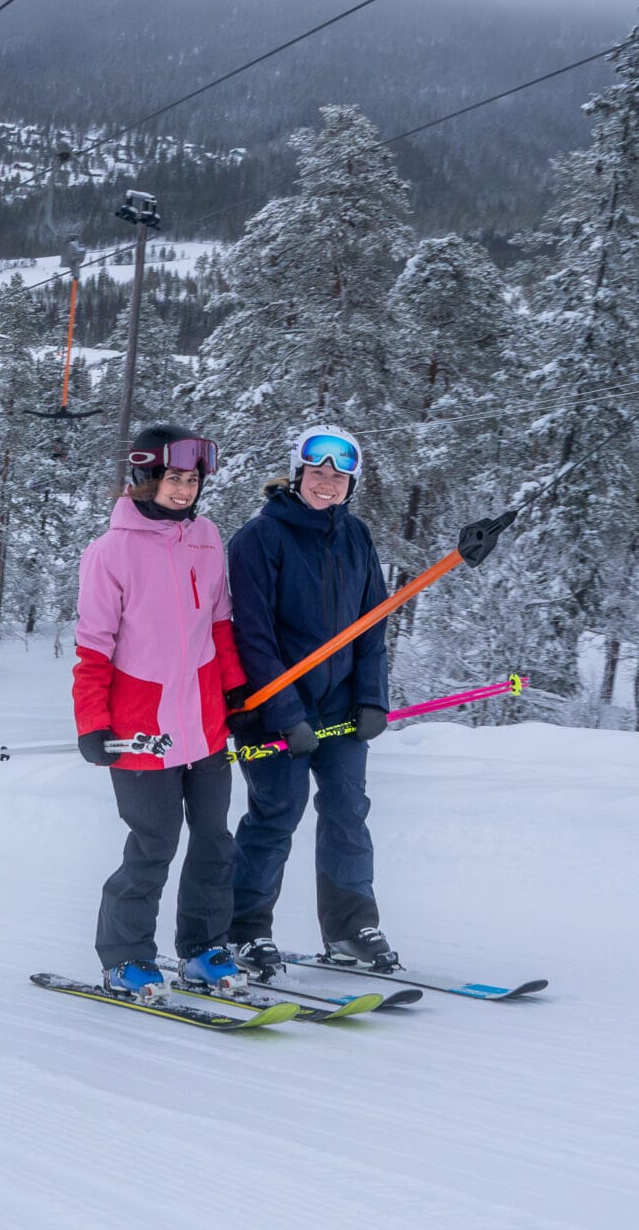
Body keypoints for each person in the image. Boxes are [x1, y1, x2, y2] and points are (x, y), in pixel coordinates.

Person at [72, 423, 251, 998]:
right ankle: (125, 957)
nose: (184, 489)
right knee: (153, 844)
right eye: (174, 478)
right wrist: (92, 722)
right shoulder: (110, 551)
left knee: (213, 842)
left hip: (203, 720)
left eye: (192, 480)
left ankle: (202, 950)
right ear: (146, 477)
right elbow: (94, 646)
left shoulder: (206, 537)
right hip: (140, 725)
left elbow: (220, 626)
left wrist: (237, 695)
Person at [226, 423, 394, 976]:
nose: (327, 482)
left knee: (348, 811)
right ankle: (244, 931)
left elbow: (372, 625)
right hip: (274, 708)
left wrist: (371, 697)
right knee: (278, 813)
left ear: (351, 483)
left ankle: (350, 929)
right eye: (318, 472)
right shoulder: (258, 538)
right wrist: (285, 714)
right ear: (298, 474)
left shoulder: (357, 536)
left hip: (341, 707)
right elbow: (253, 635)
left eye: (339, 475)